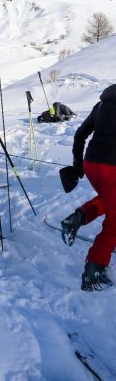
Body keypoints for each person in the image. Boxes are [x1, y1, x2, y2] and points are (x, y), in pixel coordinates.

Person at [60, 85, 116, 291]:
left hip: (91, 165)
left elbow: (80, 135)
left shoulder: (100, 105)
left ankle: (76, 220)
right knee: (114, 222)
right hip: (111, 167)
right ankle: (94, 269)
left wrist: (77, 165)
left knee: (110, 200)